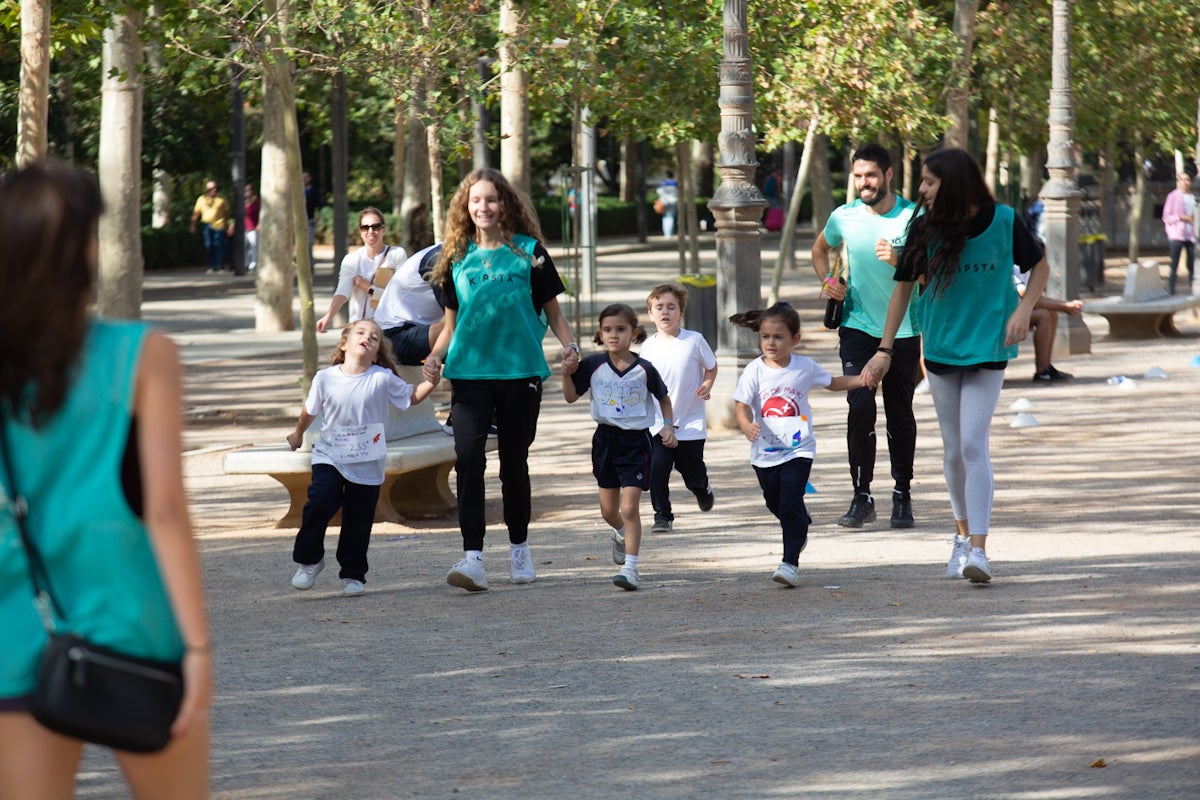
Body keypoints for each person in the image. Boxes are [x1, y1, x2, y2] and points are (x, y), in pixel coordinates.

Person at [0, 161, 212, 798]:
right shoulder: (142, 354)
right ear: (77, 250)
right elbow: (165, 511)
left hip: (12, 625)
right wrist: (198, 647)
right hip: (131, 617)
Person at [861, 148, 1049, 584]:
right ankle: (961, 537)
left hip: (990, 346)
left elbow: (1038, 266)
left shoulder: (1003, 219)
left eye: (928, 181)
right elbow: (902, 292)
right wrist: (885, 350)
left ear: (955, 182)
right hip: (942, 347)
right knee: (951, 450)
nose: (921, 189)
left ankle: (980, 550)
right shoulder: (923, 227)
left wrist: (1023, 311)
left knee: (971, 444)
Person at [423, 168, 581, 592]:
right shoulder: (455, 257)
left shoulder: (531, 253)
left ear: (504, 204)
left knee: (514, 464)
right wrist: (434, 357)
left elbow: (554, 314)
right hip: (469, 374)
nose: (483, 207)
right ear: (465, 207)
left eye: (491, 199)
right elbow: (451, 324)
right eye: (476, 201)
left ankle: (519, 547)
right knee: (469, 462)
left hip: (521, 372)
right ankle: (473, 556)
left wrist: (571, 348)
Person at [811, 143, 920, 530]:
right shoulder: (844, 216)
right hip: (856, 327)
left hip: (906, 331)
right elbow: (819, 250)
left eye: (871, 175)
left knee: (899, 413)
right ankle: (862, 496)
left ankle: (902, 495)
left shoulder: (913, 216)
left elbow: (929, 274)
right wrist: (829, 282)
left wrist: (899, 260)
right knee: (859, 408)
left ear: (889, 175)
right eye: (858, 176)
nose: (864, 183)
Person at [288, 320, 438, 596]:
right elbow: (310, 410)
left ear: (378, 351)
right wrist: (298, 434)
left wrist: (431, 382)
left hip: (368, 460)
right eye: (360, 332)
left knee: (359, 519)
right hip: (330, 456)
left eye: (375, 337)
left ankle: (353, 575)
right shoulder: (325, 377)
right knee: (319, 502)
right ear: (344, 343)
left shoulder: (381, 378)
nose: (367, 337)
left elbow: (411, 397)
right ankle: (309, 561)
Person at [731, 303, 864, 588]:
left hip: (798, 449)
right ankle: (800, 522)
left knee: (790, 501)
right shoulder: (754, 370)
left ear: (795, 339)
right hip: (764, 452)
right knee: (775, 502)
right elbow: (740, 406)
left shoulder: (804, 367)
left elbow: (833, 382)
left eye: (778, 337)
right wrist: (745, 425)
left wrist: (862, 380)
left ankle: (789, 561)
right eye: (765, 336)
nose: (771, 343)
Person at [564, 304, 676, 591]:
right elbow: (570, 397)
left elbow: (664, 398)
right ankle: (621, 534)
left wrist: (667, 426)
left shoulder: (645, 369)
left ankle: (631, 568)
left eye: (621, 329)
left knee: (629, 507)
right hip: (605, 441)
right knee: (608, 512)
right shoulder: (592, 365)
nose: (614, 335)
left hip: (636, 442)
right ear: (600, 334)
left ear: (634, 333)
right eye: (608, 329)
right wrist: (566, 373)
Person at [640, 282, 717, 535]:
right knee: (657, 470)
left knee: (690, 469)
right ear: (651, 314)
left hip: (690, 423)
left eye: (671, 307)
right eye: (659, 307)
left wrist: (707, 384)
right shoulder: (647, 347)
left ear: (680, 313)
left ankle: (701, 488)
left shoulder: (694, 340)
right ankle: (662, 515)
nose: (665, 312)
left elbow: (711, 366)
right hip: (658, 424)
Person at [316, 208, 406, 333]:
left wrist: (369, 289)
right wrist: (328, 316)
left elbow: (400, 296)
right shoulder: (352, 260)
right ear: (360, 231)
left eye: (376, 227)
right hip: (359, 327)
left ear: (384, 230)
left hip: (389, 327)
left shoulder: (396, 255)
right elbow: (342, 292)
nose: (371, 231)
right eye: (365, 227)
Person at [374, 242, 445, 367]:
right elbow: (460, 315)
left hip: (418, 329)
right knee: (468, 332)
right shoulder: (438, 258)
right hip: (395, 336)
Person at [1014, 265, 1082, 382]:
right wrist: (1064, 306)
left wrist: (1063, 306)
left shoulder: (1025, 268)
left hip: (1017, 311)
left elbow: (1036, 297)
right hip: (1008, 315)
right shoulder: (1012, 266)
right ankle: (1042, 370)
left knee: (1051, 313)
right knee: (1043, 316)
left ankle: (1045, 367)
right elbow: (1026, 296)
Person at [1162, 172, 1196, 295]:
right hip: (1176, 234)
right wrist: (1181, 217)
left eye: (1187, 179)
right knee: (1174, 262)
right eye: (1182, 179)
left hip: (1192, 235)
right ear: (1178, 181)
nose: (1185, 182)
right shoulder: (1172, 196)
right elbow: (1166, 216)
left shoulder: (1194, 197)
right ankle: (1171, 289)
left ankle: (1194, 288)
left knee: (1192, 263)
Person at [190, 178, 232, 274]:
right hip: (207, 225)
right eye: (211, 188)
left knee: (218, 245)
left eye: (215, 188)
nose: (214, 190)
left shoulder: (221, 199)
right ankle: (212, 266)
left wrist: (227, 224)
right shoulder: (201, 199)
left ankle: (219, 266)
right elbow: (196, 213)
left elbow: (227, 213)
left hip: (219, 225)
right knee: (209, 245)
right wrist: (193, 225)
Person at [304, 171, 320, 269]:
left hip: (310, 219)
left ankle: (310, 264)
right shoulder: (297, 190)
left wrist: (317, 218)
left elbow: (319, 206)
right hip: (297, 221)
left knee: (309, 243)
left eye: (306, 177)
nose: (304, 179)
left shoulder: (314, 190)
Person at [656, 171, 679, 237]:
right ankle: (669, 233)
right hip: (673, 202)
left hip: (664, 202)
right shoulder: (675, 183)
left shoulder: (663, 183)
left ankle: (666, 233)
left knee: (665, 217)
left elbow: (659, 192)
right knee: (671, 217)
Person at [243, 182, 260, 272]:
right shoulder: (243, 203)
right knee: (245, 247)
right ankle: (246, 263)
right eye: (245, 190)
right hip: (244, 228)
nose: (247, 192)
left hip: (253, 228)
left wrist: (259, 224)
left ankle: (253, 264)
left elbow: (261, 214)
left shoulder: (257, 202)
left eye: (248, 190)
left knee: (254, 246)